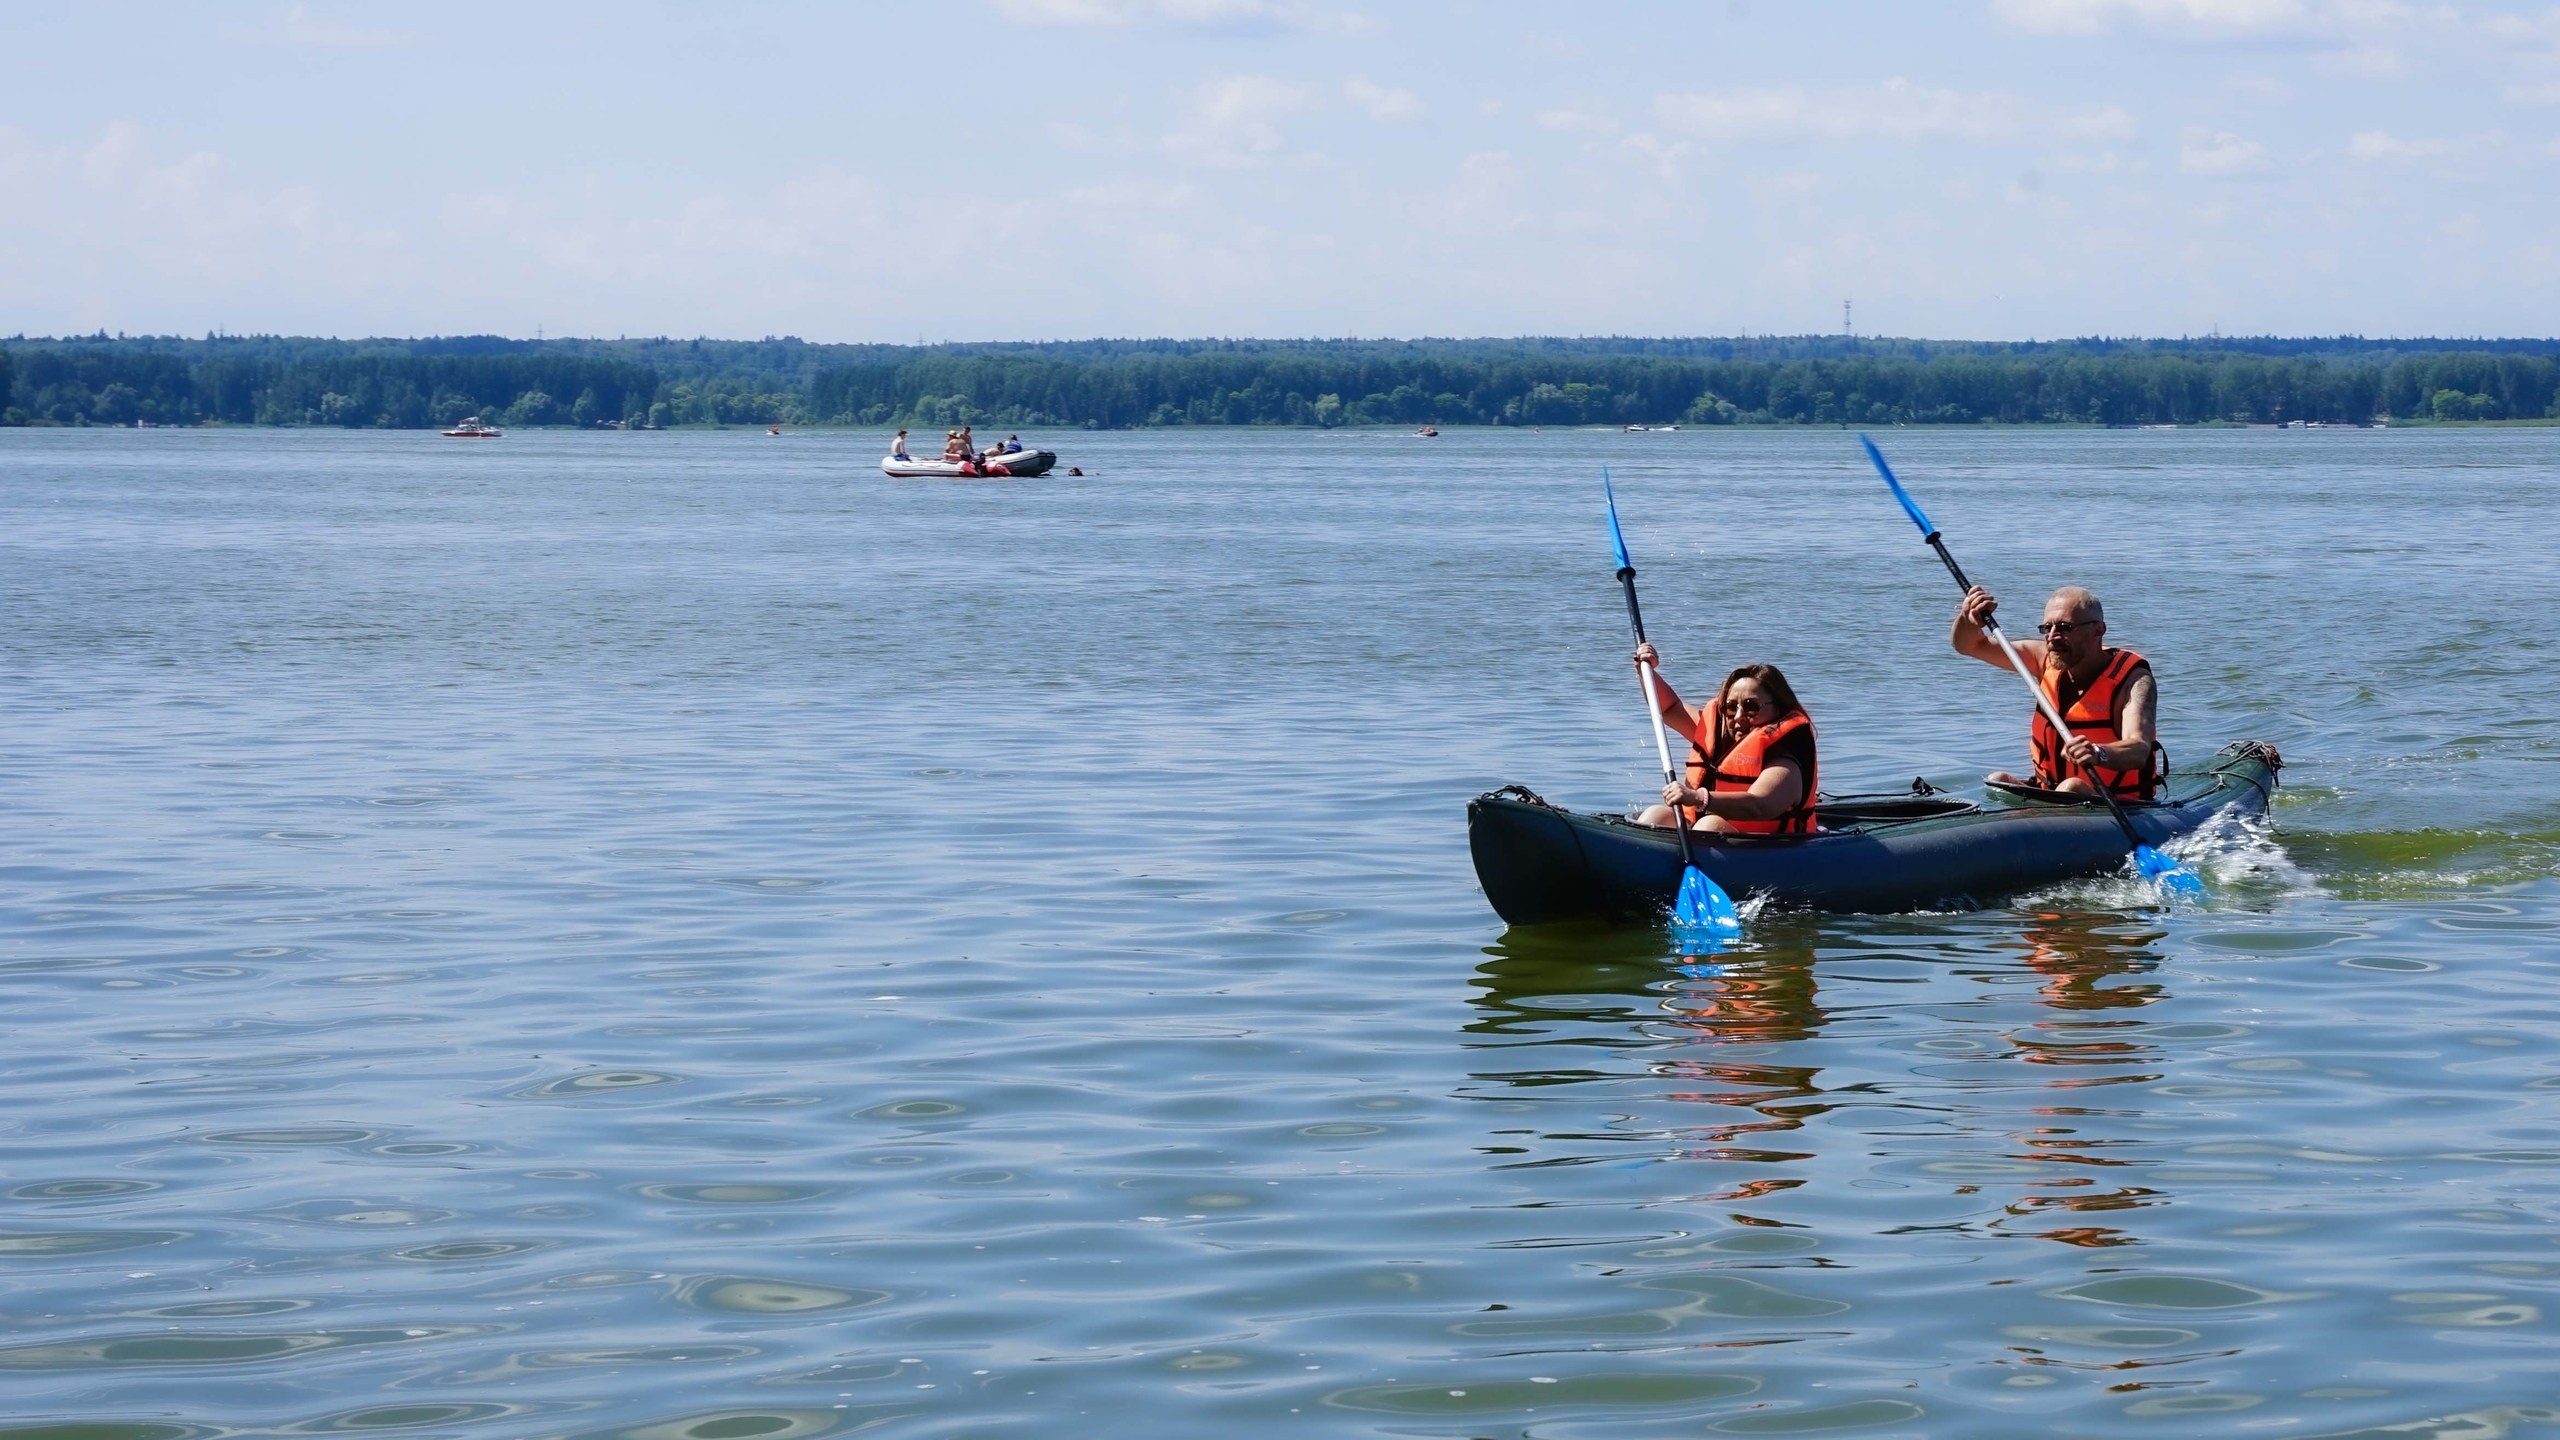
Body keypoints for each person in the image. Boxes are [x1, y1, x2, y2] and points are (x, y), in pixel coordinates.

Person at [1951, 584, 2159, 800]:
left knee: (2071, 787)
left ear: (2098, 631)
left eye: (2064, 628)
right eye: (2046, 628)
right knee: (1998, 779)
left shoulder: (2133, 680)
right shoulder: (2042, 659)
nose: (2052, 637)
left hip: (2121, 805)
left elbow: (2138, 749)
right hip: (2052, 793)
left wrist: (2098, 753)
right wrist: (1968, 617)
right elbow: (1968, 645)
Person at [1629, 645, 1819, 834]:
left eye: (1751, 706)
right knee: (1655, 816)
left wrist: (1698, 798)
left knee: (1709, 825)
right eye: (1730, 707)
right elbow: (1669, 708)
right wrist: (1645, 671)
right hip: (1709, 838)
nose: (1738, 716)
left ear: (1778, 708)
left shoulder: (1785, 758)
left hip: (1769, 847)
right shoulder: (1718, 732)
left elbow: (1760, 805)